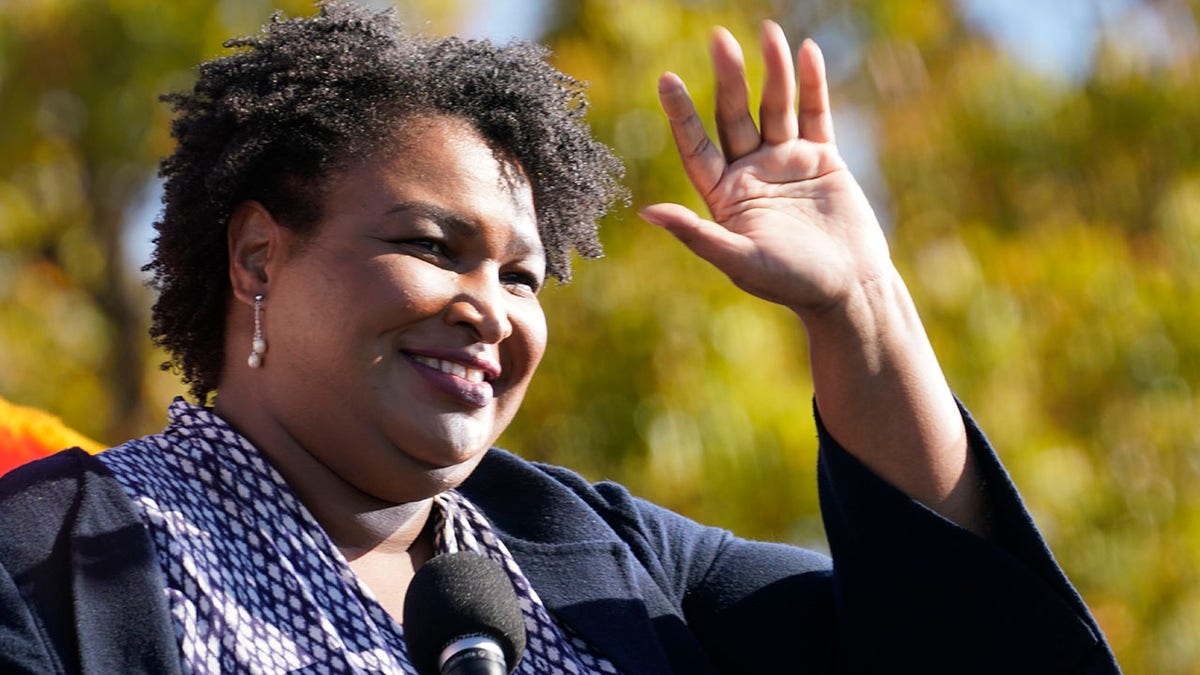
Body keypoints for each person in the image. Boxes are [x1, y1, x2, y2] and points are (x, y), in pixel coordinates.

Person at [0, 2, 1120, 673]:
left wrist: (861, 307)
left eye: (523, 274)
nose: (490, 304)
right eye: (435, 247)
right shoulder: (43, 560)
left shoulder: (604, 562)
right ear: (257, 259)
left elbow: (972, 654)